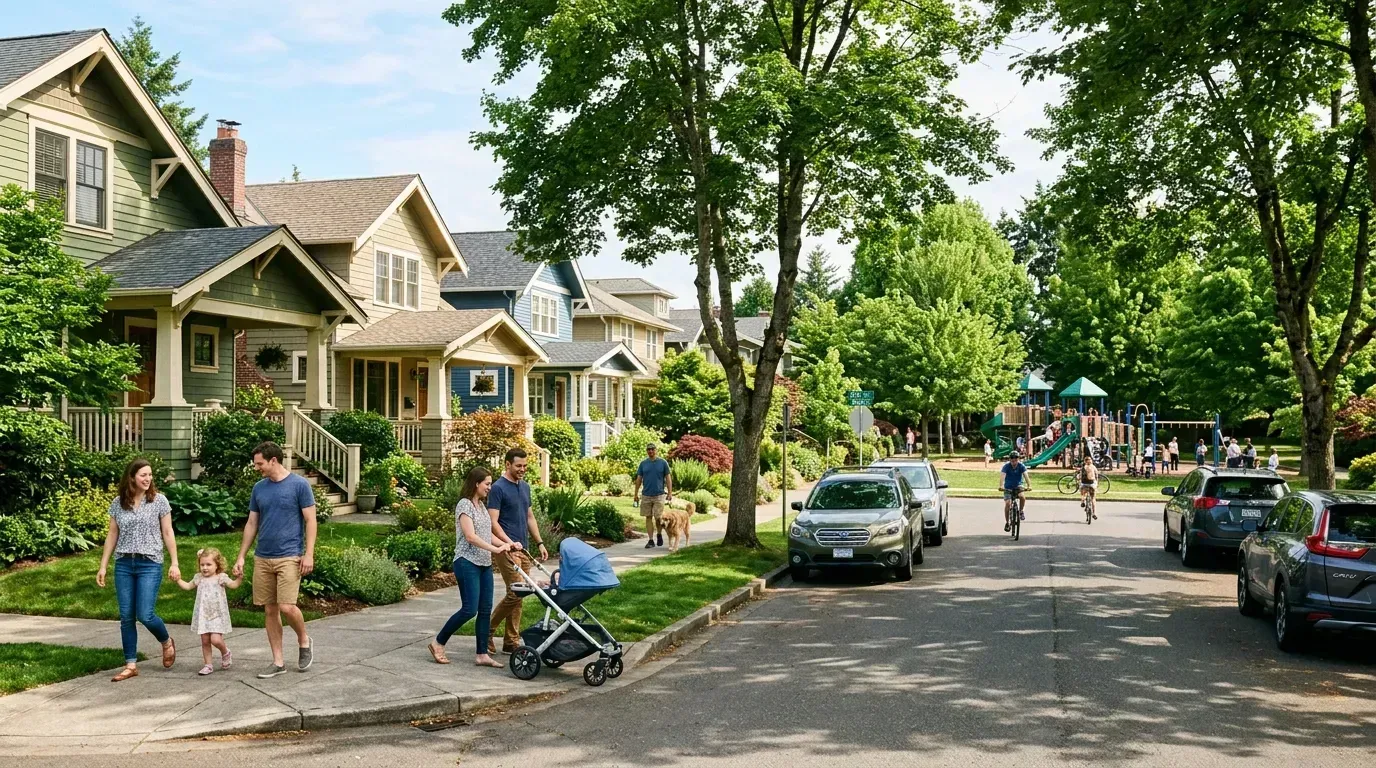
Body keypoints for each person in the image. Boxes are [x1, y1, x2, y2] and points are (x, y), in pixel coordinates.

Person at [232, 441, 317, 679]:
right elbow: (251, 523)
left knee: (286, 606)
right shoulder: (259, 488)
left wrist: (308, 553)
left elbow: (311, 520)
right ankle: (278, 662)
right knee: (270, 609)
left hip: (290, 555)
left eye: (259, 463)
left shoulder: (299, 485)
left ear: (273, 460)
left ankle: (303, 639)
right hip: (263, 557)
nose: (256, 467)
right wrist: (241, 556)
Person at [97, 459, 180, 682]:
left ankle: (166, 641)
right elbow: (112, 534)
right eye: (143, 475)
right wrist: (103, 565)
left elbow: (168, 532)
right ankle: (131, 664)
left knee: (145, 614)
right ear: (132, 477)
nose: (148, 479)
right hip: (124, 563)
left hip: (149, 563)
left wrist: (174, 562)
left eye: (150, 475)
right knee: (126, 617)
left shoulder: (159, 501)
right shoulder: (118, 502)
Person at [429, 466, 510, 668]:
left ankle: (482, 654)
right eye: (487, 484)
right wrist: (495, 549)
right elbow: (471, 536)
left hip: (484, 564)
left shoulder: (481, 507)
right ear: (476, 483)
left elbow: (485, 534)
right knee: (469, 609)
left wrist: (506, 544)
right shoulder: (464, 505)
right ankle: (438, 642)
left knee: (485, 609)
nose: (490, 488)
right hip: (467, 562)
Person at [487, 448, 549, 655]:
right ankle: (486, 631)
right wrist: (509, 542)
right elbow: (492, 522)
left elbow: (529, 517)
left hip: (524, 549)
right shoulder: (498, 488)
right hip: (506, 549)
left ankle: (510, 641)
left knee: (519, 595)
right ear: (507, 465)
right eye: (518, 466)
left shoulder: (525, 487)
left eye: (525, 466)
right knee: (515, 593)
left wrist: (539, 542)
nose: (522, 469)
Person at [174, 547, 241, 676]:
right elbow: (188, 586)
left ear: (217, 565)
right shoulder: (199, 578)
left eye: (209, 564)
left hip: (217, 614)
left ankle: (225, 652)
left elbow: (233, 585)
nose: (205, 568)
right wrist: (178, 580)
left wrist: (239, 578)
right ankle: (208, 665)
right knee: (205, 640)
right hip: (203, 615)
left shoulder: (221, 577)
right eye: (202, 564)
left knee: (215, 639)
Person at [633, 443, 673, 549]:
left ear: (656, 450)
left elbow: (668, 478)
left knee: (658, 517)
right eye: (648, 450)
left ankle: (659, 534)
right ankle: (650, 540)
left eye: (652, 449)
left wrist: (669, 492)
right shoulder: (643, 464)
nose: (650, 451)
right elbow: (638, 479)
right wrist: (636, 493)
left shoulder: (663, 463)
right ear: (647, 451)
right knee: (648, 517)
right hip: (646, 495)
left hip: (659, 495)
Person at [999, 452, 1029, 532]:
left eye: (1015, 460)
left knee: (1022, 497)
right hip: (1008, 487)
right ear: (1010, 460)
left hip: (1018, 486)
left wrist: (1029, 485)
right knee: (1008, 503)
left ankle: (1021, 511)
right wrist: (1001, 485)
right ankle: (1007, 522)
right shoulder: (1006, 466)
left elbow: (1026, 475)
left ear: (1018, 460)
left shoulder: (1021, 466)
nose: (1014, 463)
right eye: (1012, 461)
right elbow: (1002, 475)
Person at [1079, 455, 1098, 521]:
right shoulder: (1093, 467)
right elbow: (1096, 476)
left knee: (1083, 493)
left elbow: (1080, 477)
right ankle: (1094, 513)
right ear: (1091, 461)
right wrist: (1097, 483)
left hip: (1084, 484)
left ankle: (1082, 501)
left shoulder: (1083, 467)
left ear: (1085, 461)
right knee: (1093, 498)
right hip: (1092, 484)